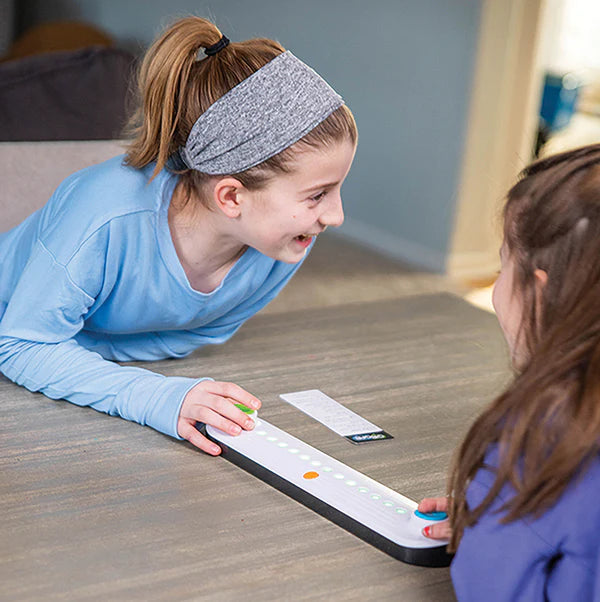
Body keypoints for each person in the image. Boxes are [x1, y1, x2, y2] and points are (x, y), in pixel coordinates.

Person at [0, 16, 357, 455]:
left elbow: (197, 332)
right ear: (231, 197)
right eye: (317, 195)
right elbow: (21, 343)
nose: (336, 216)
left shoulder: (281, 244)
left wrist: (82, 361)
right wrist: (153, 395)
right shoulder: (104, 215)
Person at [419, 144, 600, 600]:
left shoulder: (545, 441)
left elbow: (489, 588)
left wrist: (491, 523)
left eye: (503, 265)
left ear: (538, 295)